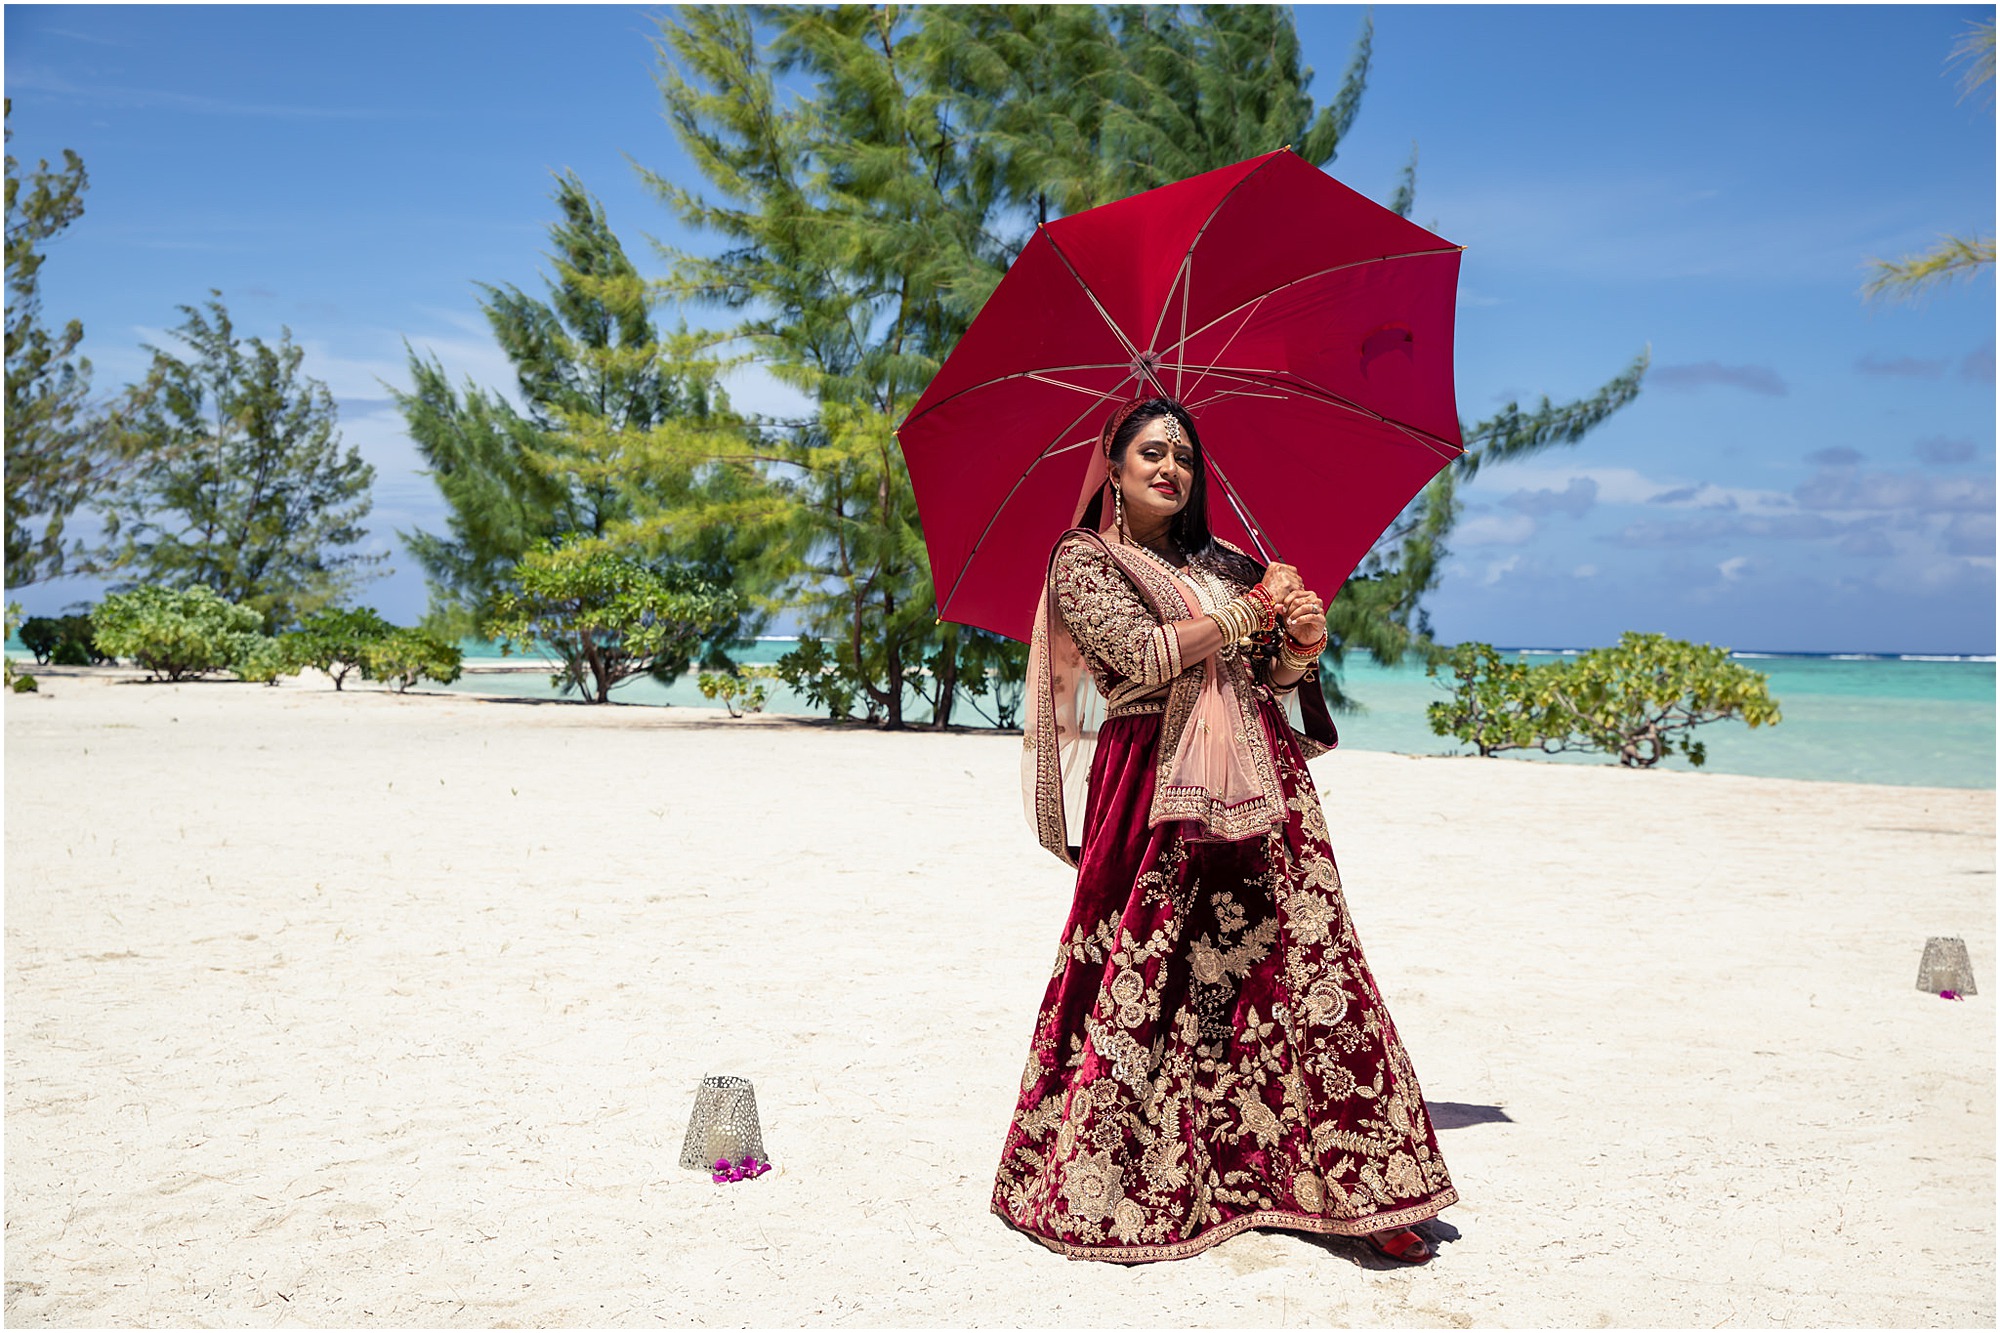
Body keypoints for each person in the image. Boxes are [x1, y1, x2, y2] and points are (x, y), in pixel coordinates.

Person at [992, 395, 1457, 1265]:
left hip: (1263, 783)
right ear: (1115, 468)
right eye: (1153, 453)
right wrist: (1243, 617)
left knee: (1304, 968)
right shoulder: (1086, 561)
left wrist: (1297, 646)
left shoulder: (1232, 562)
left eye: (1186, 456)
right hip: (1153, 787)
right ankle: (1125, 1178)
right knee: (1152, 971)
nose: (1172, 467)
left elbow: (1266, 674)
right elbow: (1143, 656)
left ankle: (1363, 1184)